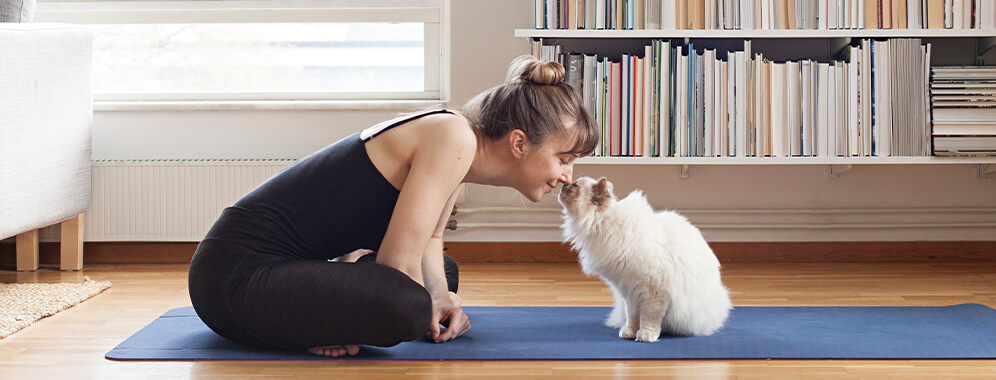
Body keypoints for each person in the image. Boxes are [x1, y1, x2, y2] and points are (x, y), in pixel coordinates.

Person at [187, 55, 599, 357]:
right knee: (406, 306)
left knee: (440, 277)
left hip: (271, 270)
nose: (567, 175)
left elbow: (432, 238)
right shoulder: (455, 137)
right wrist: (421, 303)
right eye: (564, 159)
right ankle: (308, 326)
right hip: (233, 277)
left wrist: (440, 294)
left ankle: (324, 311)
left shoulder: (459, 139)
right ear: (519, 142)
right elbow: (396, 266)